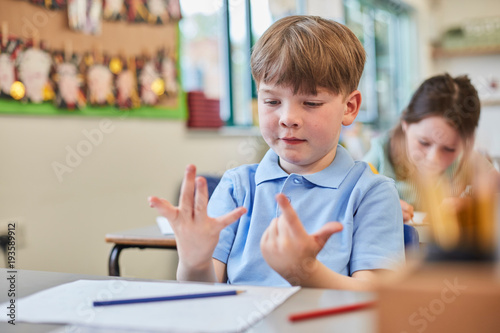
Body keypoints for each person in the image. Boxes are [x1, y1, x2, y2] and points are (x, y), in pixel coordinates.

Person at [149, 15, 404, 291]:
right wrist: (194, 262)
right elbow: (202, 294)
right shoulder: (237, 187)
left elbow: (378, 298)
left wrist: (305, 273)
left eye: (311, 102)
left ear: (350, 107)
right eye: (272, 101)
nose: (288, 118)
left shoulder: (371, 192)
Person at [363, 73, 498, 222]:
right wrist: (376, 206)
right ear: (405, 124)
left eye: (449, 149)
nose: (433, 158)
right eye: (423, 142)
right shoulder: (381, 154)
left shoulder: (467, 160)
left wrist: (472, 205)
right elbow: (348, 200)